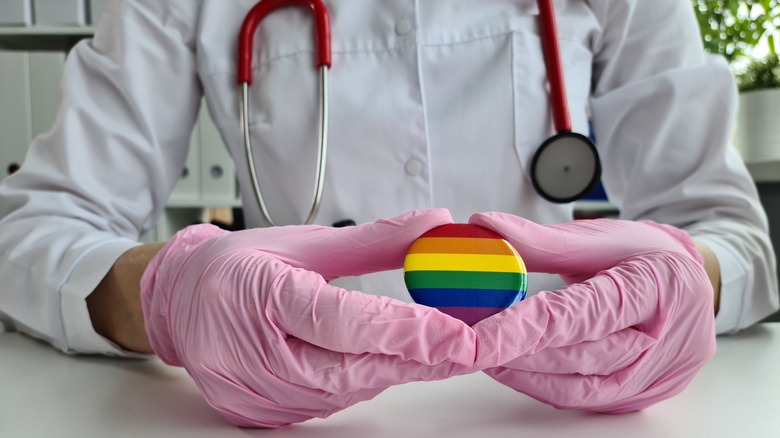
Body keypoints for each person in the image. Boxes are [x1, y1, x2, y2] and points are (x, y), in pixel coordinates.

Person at [0, 0, 777, 428]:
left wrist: (692, 279)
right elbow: (31, 233)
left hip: (546, 418)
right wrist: (163, 294)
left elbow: (735, 239)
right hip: (288, 421)